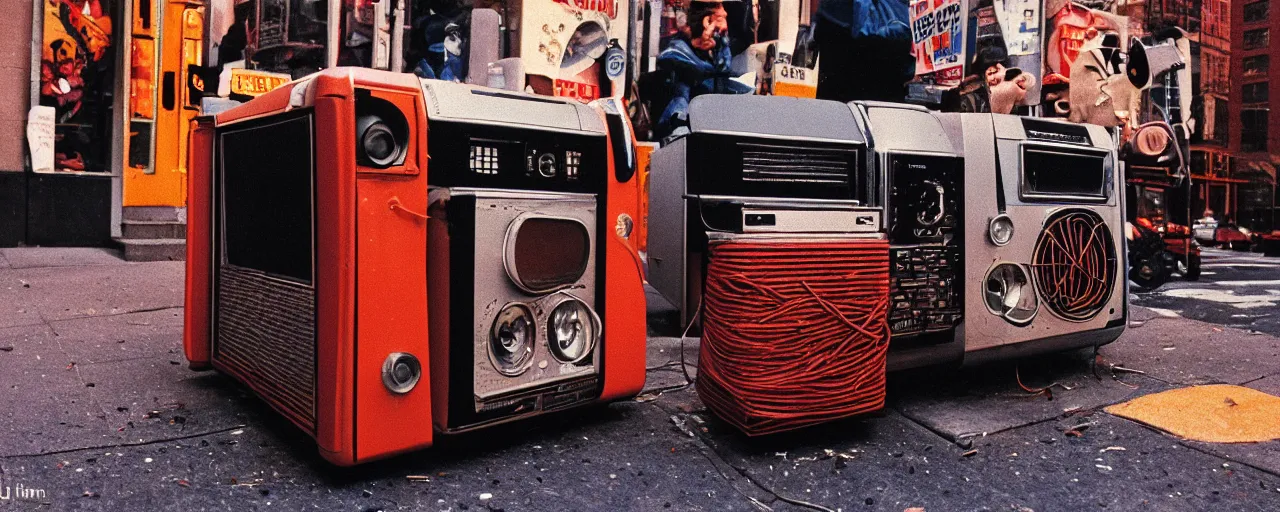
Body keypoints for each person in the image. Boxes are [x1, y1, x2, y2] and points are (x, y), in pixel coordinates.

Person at [653, 0, 753, 139]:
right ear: (706, 21)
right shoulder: (677, 48)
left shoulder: (714, 50)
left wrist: (721, 43)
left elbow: (724, 69)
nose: (725, 18)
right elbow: (687, 65)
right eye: (720, 17)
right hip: (683, 129)